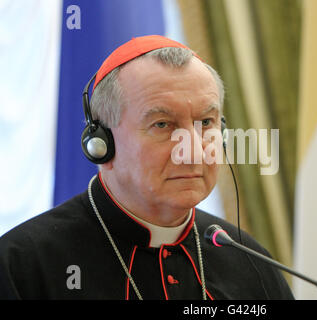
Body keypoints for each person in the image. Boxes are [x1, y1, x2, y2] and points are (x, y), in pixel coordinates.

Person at [0, 35, 294, 300]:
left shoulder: (251, 262)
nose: (191, 151)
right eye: (163, 124)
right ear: (101, 143)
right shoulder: (22, 266)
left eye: (206, 123)